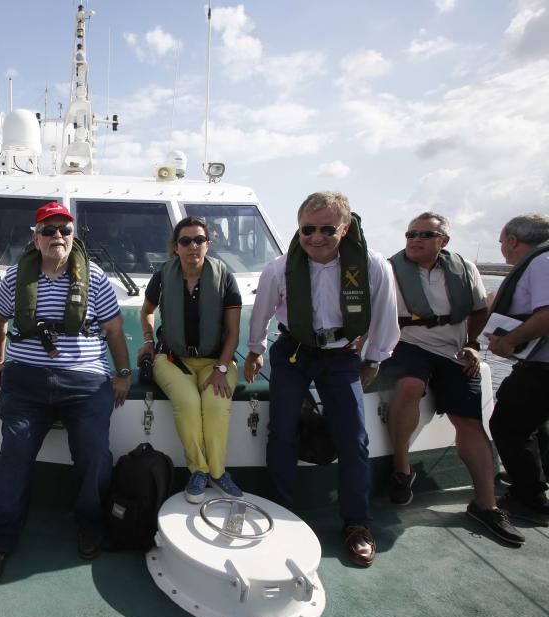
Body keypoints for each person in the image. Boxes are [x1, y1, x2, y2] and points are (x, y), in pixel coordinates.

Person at [0, 201, 132, 586]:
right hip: (26, 381)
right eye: (48, 230)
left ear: (73, 235)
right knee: (14, 456)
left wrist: (124, 373)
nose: (57, 237)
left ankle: (90, 525)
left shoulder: (94, 278)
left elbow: (113, 331)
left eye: (64, 229)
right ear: (35, 238)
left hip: (84, 382)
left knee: (95, 454)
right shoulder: (15, 277)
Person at [243, 191, 400, 568]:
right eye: (307, 229)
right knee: (282, 432)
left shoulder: (372, 267)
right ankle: (281, 514)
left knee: (353, 438)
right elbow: (261, 314)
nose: (315, 237)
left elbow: (385, 317)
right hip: (293, 353)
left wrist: (375, 359)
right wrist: (255, 350)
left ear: (344, 229)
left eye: (327, 229)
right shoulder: (279, 268)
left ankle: (357, 523)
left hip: (342, 356)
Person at [378, 212, 523, 545]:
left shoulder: (465, 269)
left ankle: (486, 504)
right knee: (410, 386)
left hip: (454, 350)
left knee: (469, 420)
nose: (415, 240)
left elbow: (479, 311)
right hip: (407, 344)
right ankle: (402, 471)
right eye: (411, 233)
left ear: (444, 241)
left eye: (425, 235)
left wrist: (473, 345)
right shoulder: (389, 269)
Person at [137, 216, 243, 502]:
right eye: (186, 241)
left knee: (216, 404)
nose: (193, 246)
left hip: (215, 361)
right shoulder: (162, 276)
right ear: (176, 248)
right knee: (187, 402)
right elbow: (146, 311)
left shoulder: (225, 277)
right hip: (172, 360)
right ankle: (199, 470)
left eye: (199, 240)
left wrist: (221, 368)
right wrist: (148, 341)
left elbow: (233, 332)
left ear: (208, 244)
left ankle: (218, 473)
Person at [487, 213, 549, 527]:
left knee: (508, 425)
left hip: (543, 366)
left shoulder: (541, 262)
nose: (502, 250)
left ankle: (531, 500)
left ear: (513, 240)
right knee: (535, 425)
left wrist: (510, 340)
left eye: (501, 243)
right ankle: (537, 485)